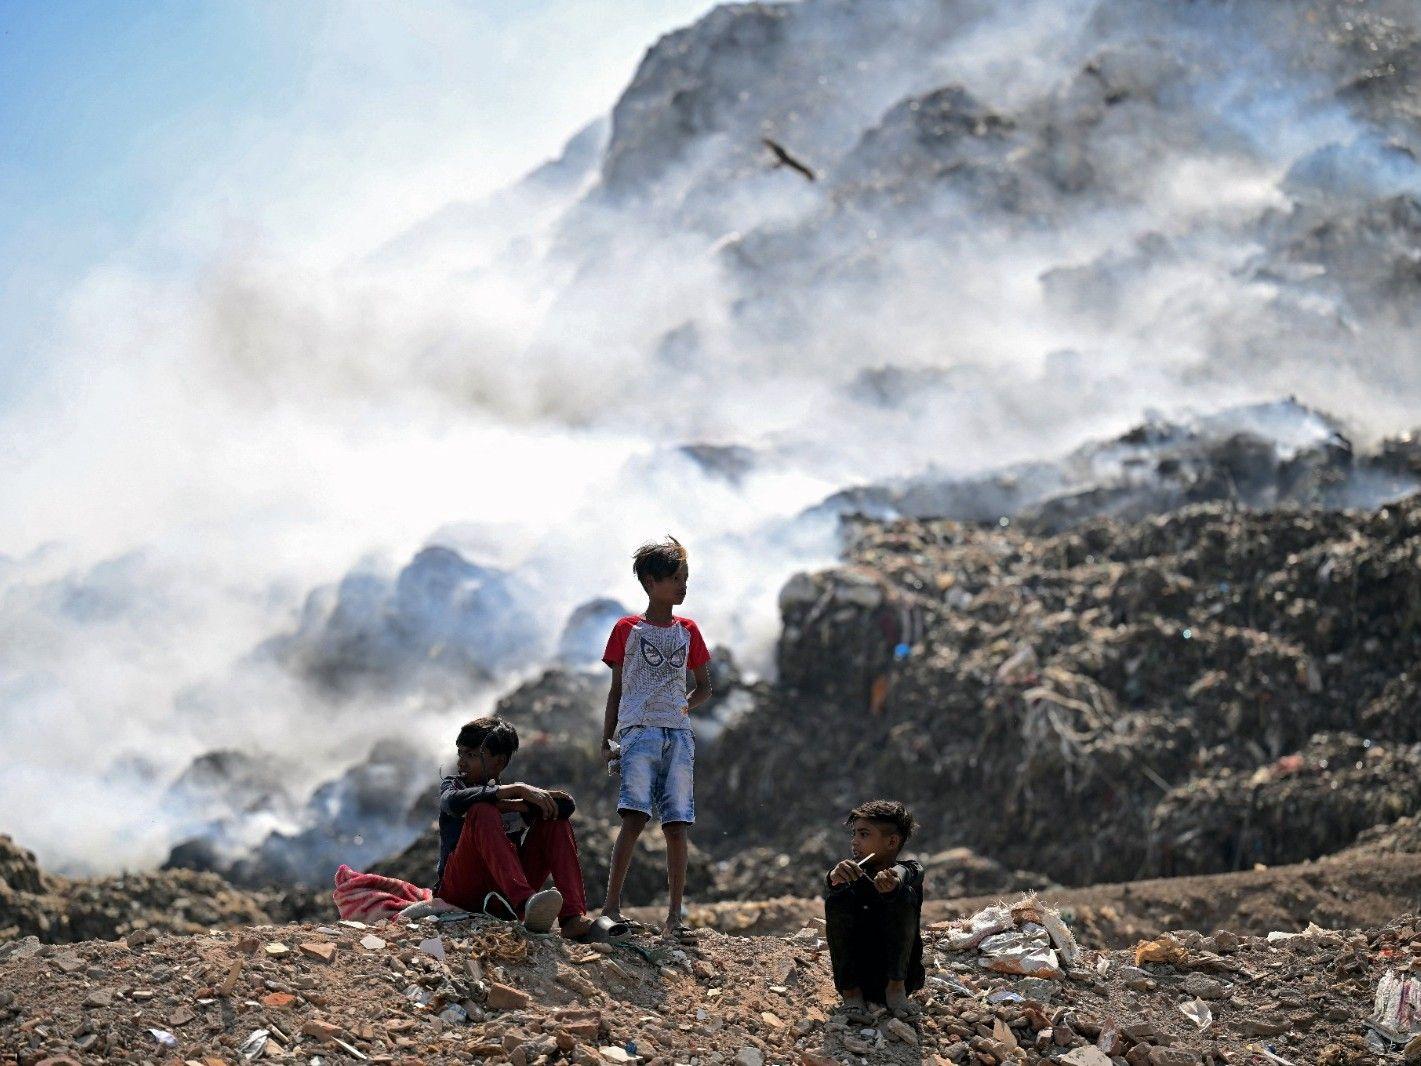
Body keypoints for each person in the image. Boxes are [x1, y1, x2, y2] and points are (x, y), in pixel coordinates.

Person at [599, 535, 712, 938]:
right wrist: (606, 737)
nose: (683, 586)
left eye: (685, 577)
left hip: (678, 736)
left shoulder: (688, 630)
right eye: (675, 578)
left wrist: (682, 707)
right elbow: (617, 689)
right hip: (637, 732)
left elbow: (704, 687)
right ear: (650, 582)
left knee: (677, 825)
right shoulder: (627, 629)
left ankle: (675, 917)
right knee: (633, 817)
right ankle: (611, 907)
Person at [434, 716, 594, 938]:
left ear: (498, 763)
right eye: (461, 753)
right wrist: (517, 791)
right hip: (462, 891)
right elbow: (450, 802)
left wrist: (531, 804)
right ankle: (527, 904)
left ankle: (571, 917)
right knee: (482, 810)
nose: (462, 762)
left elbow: (565, 807)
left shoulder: (518, 798)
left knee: (555, 822)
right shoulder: (454, 786)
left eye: (471, 755)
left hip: (502, 894)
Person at [824, 799, 926, 1018]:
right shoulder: (851, 873)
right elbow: (832, 881)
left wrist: (893, 882)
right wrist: (834, 877)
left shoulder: (909, 870)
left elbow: (906, 873)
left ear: (891, 842)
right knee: (837, 898)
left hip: (899, 977)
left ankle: (895, 989)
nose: (854, 842)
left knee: (904, 896)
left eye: (864, 834)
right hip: (859, 977)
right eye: (854, 835)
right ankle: (851, 993)